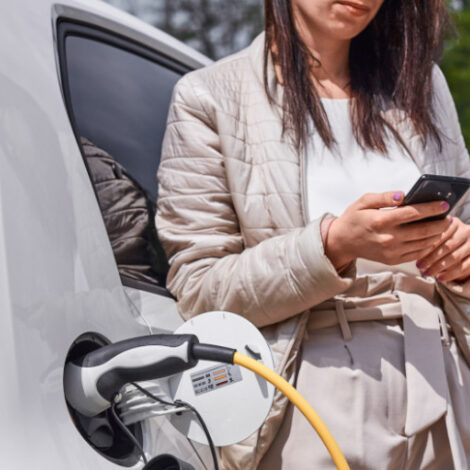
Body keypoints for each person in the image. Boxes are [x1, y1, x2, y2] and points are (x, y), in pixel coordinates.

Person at [156, 1, 470, 468]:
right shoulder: (211, 96)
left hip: (442, 381)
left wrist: (462, 261)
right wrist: (332, 245)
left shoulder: (422, 86)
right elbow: (199, 288)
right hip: (310, 388)